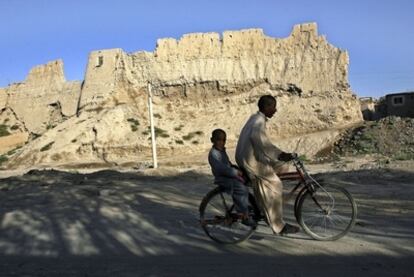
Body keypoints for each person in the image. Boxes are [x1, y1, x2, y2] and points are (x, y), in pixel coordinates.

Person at [235, 95, 300, 235]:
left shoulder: (255, 118)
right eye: (273, 107)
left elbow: (261, 144)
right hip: (250, 161)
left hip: (248, 157)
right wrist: (280, 154)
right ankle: (278, 225)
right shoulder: (258, 122)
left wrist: (279, 157)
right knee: (276, 184)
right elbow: (263, 144)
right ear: (266, 107)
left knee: (283, 167)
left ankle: (265, 200)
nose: (275, 110)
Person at [208, 128, 256, 227]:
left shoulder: (221, 151)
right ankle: (244, 215)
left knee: (248, 182)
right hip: (222, 178)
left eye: (223, 140)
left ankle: (245, 204)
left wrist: (236, 168)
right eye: (218, 140)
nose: (221, 142)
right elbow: (221, 168)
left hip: (228, 175)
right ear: (212, 140)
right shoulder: (213, 154)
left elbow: (227, 164)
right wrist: (234, 172)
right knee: (240, 188)